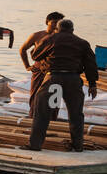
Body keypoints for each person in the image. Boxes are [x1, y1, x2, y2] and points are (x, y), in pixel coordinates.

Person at [25, 18, 99, 152]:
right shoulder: (82, 43)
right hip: (73, 79)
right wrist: (92, 84)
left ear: (57, 29)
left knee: (42, 111)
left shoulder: (50, 39)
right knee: (76, 114)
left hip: (53, 77)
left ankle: (35, 145)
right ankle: (78, 146)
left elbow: (35, 56)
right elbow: (91, 65)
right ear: (72, 30)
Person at [19, 11, 64, 114]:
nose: (56, 25)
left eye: (59, 23)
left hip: (55, 70)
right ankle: (33, 118)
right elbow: (22, 49)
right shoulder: (37, 35)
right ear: (47, 22)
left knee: (54, 98)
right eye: (54, 22)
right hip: (39, 69)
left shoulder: (62, 37)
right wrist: (27, 66)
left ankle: (52, 121)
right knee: (36, 96)